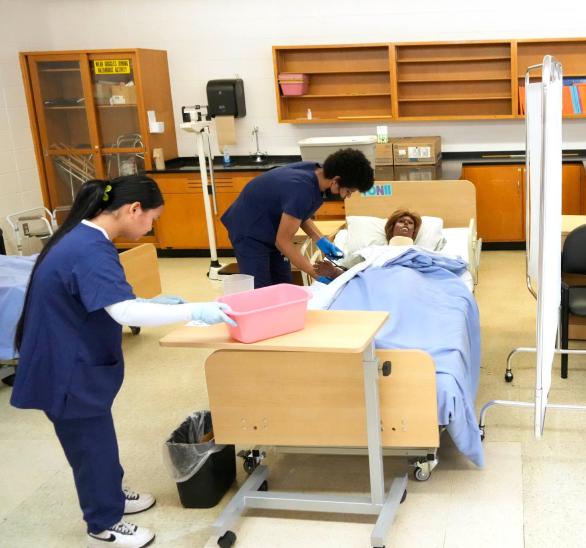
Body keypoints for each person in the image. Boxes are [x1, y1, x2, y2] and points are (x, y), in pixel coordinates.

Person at [12, 175, 235, 548]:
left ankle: (111, 493)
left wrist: (151, 304)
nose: (151, 226)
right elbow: (123, 311)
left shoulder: (86, 239)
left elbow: (106, 299)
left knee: (98, 439)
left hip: (75, 361)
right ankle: (104, 522)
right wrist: (197, 309)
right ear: (133, 209)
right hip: (67, 370)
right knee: (91, 447)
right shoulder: (88, 248)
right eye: (151, 218)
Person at [221, 148, 375, 288]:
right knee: (262, 290)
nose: (346, 196)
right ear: (336, 181)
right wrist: (315, 274)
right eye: (348, 191)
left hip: (272, 228)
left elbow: (297, 212)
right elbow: (283, 241)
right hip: (249, 231)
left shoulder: (318, 173)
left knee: (283, 285)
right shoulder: (302, 189)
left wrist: (320, 239)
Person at [313, 209, 423, 282]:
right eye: (401, 221)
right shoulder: (373, 252)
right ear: (391, 228)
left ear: (414, 232)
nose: (406, 223)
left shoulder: (423, 253)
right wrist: (333, 272)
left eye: (410, 223)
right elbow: (357, 279)